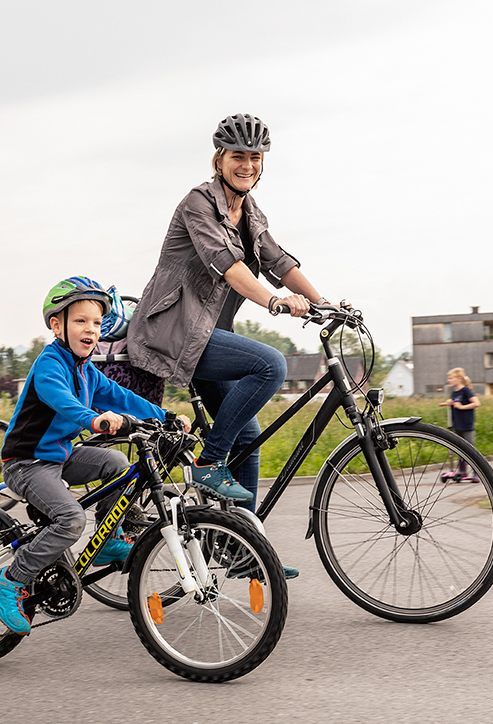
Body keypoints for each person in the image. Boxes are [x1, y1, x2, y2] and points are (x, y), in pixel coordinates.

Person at [127, 114, 331, 578]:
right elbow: (227, 265)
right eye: (238, 156)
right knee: (271, 366)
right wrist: (276, 302)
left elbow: (277, 260)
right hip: (174, 330)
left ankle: (240, 549)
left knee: (248, 435)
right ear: (219, 159)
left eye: (254, 157)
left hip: (208, 335)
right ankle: (208, 461)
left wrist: (325, 303)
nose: (247, 165)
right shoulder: (198, 203)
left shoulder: (251, 212)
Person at [0, 277, 194, 635]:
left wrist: (167, 417)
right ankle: (9, 579)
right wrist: (94, 419)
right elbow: (61, 402)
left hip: (60, 456)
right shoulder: (51, 364)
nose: (90, 330)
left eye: (96, 323)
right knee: (69, 520)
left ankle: (108, 539)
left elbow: (121, 397)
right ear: (57, 325)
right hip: (28, 462)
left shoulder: (87, 370)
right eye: (80, 321)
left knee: (116, 465)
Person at [439, 367, 481, 482]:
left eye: (451, 378)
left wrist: (462, 407)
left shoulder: (466, 391)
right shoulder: (454, 393)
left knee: (471, 450)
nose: (449, 380)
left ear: (458, 379)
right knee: (460, 450)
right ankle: (462, 472)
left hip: (467, 425)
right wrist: (447, 403)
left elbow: (477, 403)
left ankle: (477, 473)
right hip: (457, 425)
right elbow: (455, 402)